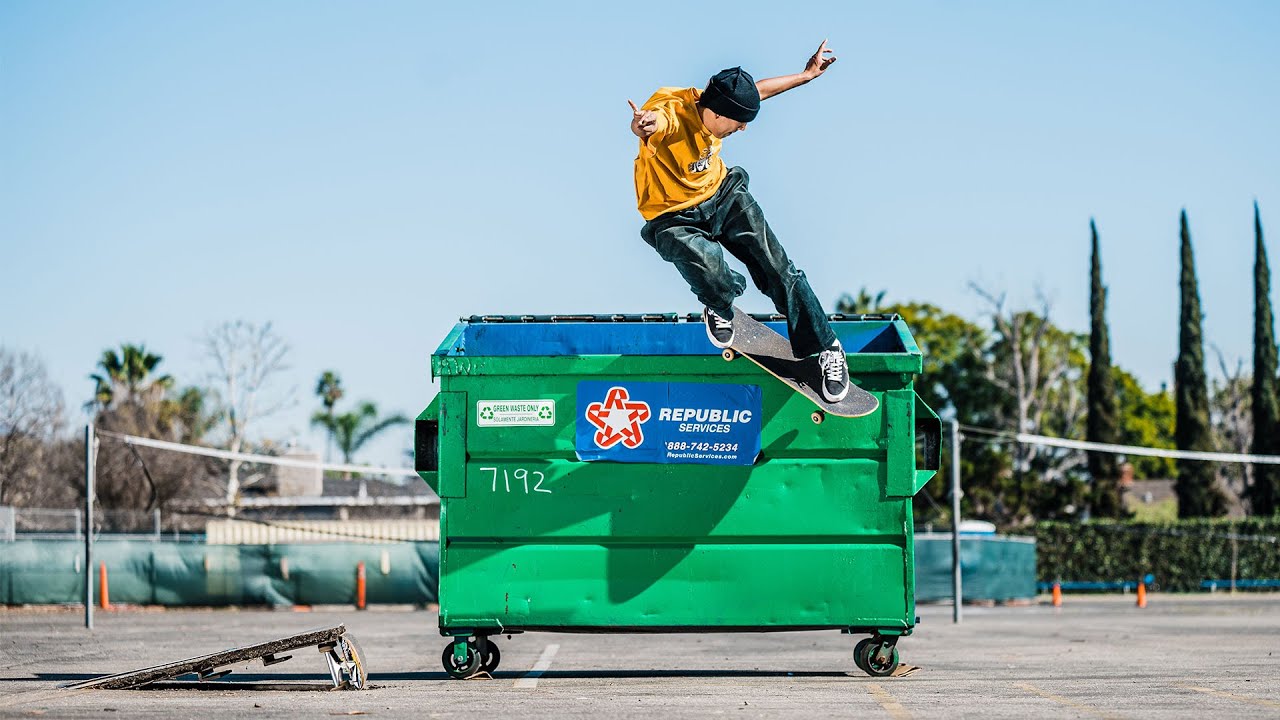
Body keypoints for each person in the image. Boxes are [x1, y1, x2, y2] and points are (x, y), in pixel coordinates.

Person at [629, 40, 850, 402]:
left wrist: (806, 76)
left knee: (777, 267)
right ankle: (719, 302)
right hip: (671, 216)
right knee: (709, 268)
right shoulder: (670, 111)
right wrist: (643, 125)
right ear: (716, 112)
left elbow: (758, 90)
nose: (742, 130)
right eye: (739, 123)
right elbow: (656, 123)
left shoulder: (721, 98)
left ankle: (826, 348)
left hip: (723, 194)